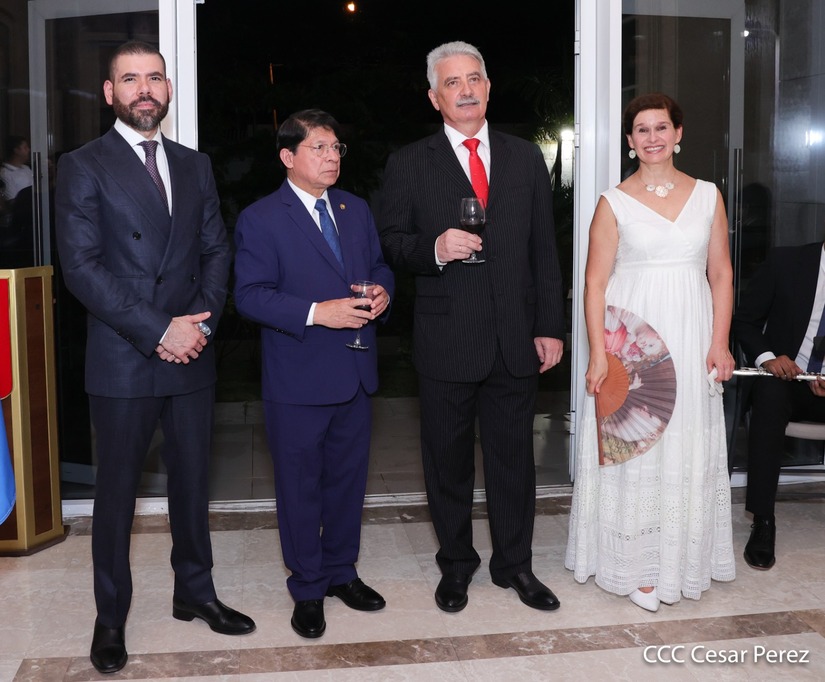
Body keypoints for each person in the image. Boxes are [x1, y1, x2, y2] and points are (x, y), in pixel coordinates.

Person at [55, 40, 255, 675]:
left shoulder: (195, 165)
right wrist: (159, 327)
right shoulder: (82, 165)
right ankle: (110, 617)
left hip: (191, 348)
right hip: (125, 353)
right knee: (116, 495)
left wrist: (199, 324)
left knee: (192, 485)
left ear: (169, 89)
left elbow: (216, 250)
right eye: (130, 79)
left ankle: (195, 592)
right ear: (109, 92)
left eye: (155, 78)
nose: (145, 89)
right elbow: (81, 268)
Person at [377, 41, 566, 613]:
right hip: (447, 339)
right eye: (452, 83)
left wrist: (550, 325)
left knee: (514, 463)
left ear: (488, 87)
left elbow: (544, 247)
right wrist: (434, 248)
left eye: (474, 78)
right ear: (434, 97)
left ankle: (516, 566)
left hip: (515, 338)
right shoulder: (409, 162)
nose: (465, 90)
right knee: (447, 464)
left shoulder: (524, 157)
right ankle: (456, 566)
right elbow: (391, 243)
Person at [565, 92, 736, 612]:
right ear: (630, 141)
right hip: (632, 341)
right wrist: (598, 353)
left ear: (678, 134)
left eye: (662, 127)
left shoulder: (708, 195)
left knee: (687, 442)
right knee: (635, 446)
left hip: (691, 334)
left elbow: (721, 273)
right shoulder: (612, 202)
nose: (653, 137)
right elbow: (594, 284)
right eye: (642, 129)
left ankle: (683, 558)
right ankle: (636, 566)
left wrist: (720, 342)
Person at [234, 109, 394, 639]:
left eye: (336, 148)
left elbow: (379, 267)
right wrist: (315, 313)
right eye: (319, 148)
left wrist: (383, 292)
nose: (332, 157)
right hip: (298, 378)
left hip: (355, 371)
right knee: (300, 488)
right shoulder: (261, 218)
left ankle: (342, 572)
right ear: (288, 156)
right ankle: (307, 586)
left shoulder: (355, 209)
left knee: (348, 483)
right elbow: (249, 296)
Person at [732, 240, 825, 570]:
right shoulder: (786, 261)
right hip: (786, 379)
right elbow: (745, 321)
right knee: (769, 395)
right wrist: (769, 358)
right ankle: (763, 521)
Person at [0, 135, 33, 202]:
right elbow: (12, 200)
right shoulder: (5, 173)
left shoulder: (26, 168)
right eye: (25, 147)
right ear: (16, 150)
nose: (28, 150)